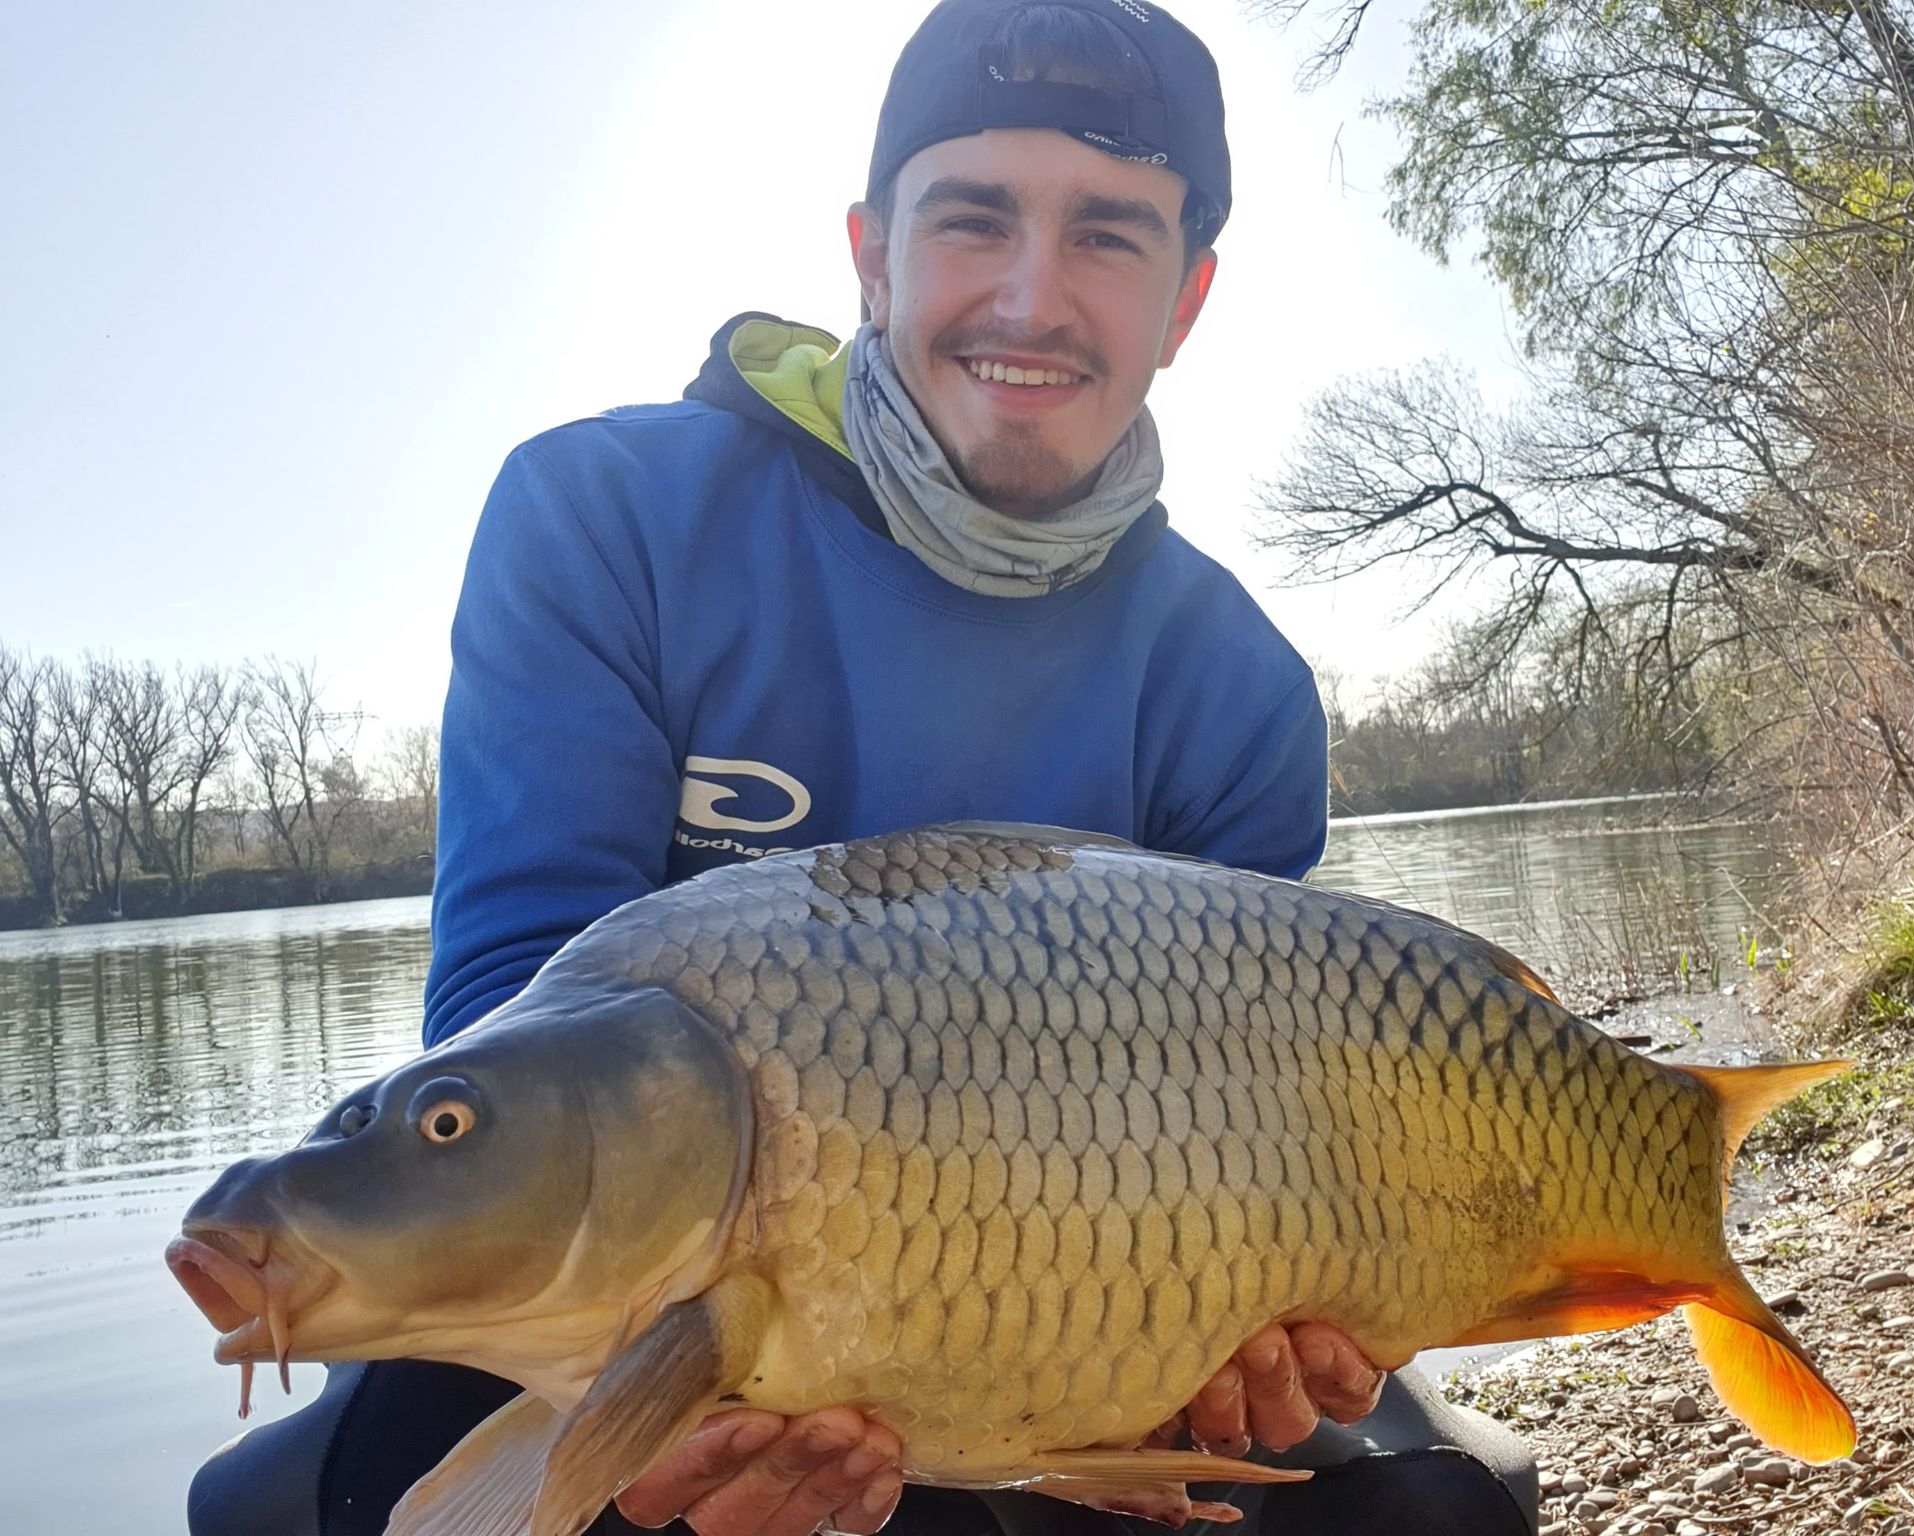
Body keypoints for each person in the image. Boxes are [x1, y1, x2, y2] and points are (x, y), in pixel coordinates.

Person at [187, 2, 1537, 1533]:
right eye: (973, 220)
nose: (1032, 298)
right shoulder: (606, 519)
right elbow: (513, 1020)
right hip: (663, 1291)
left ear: (1188, 299)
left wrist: (1253, 1345)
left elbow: (1282, 1129)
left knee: (1434, 1511)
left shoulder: (1234, 686)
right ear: (872, 253)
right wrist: (654, 1418)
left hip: (1067, 1318)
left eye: (1109, 236)